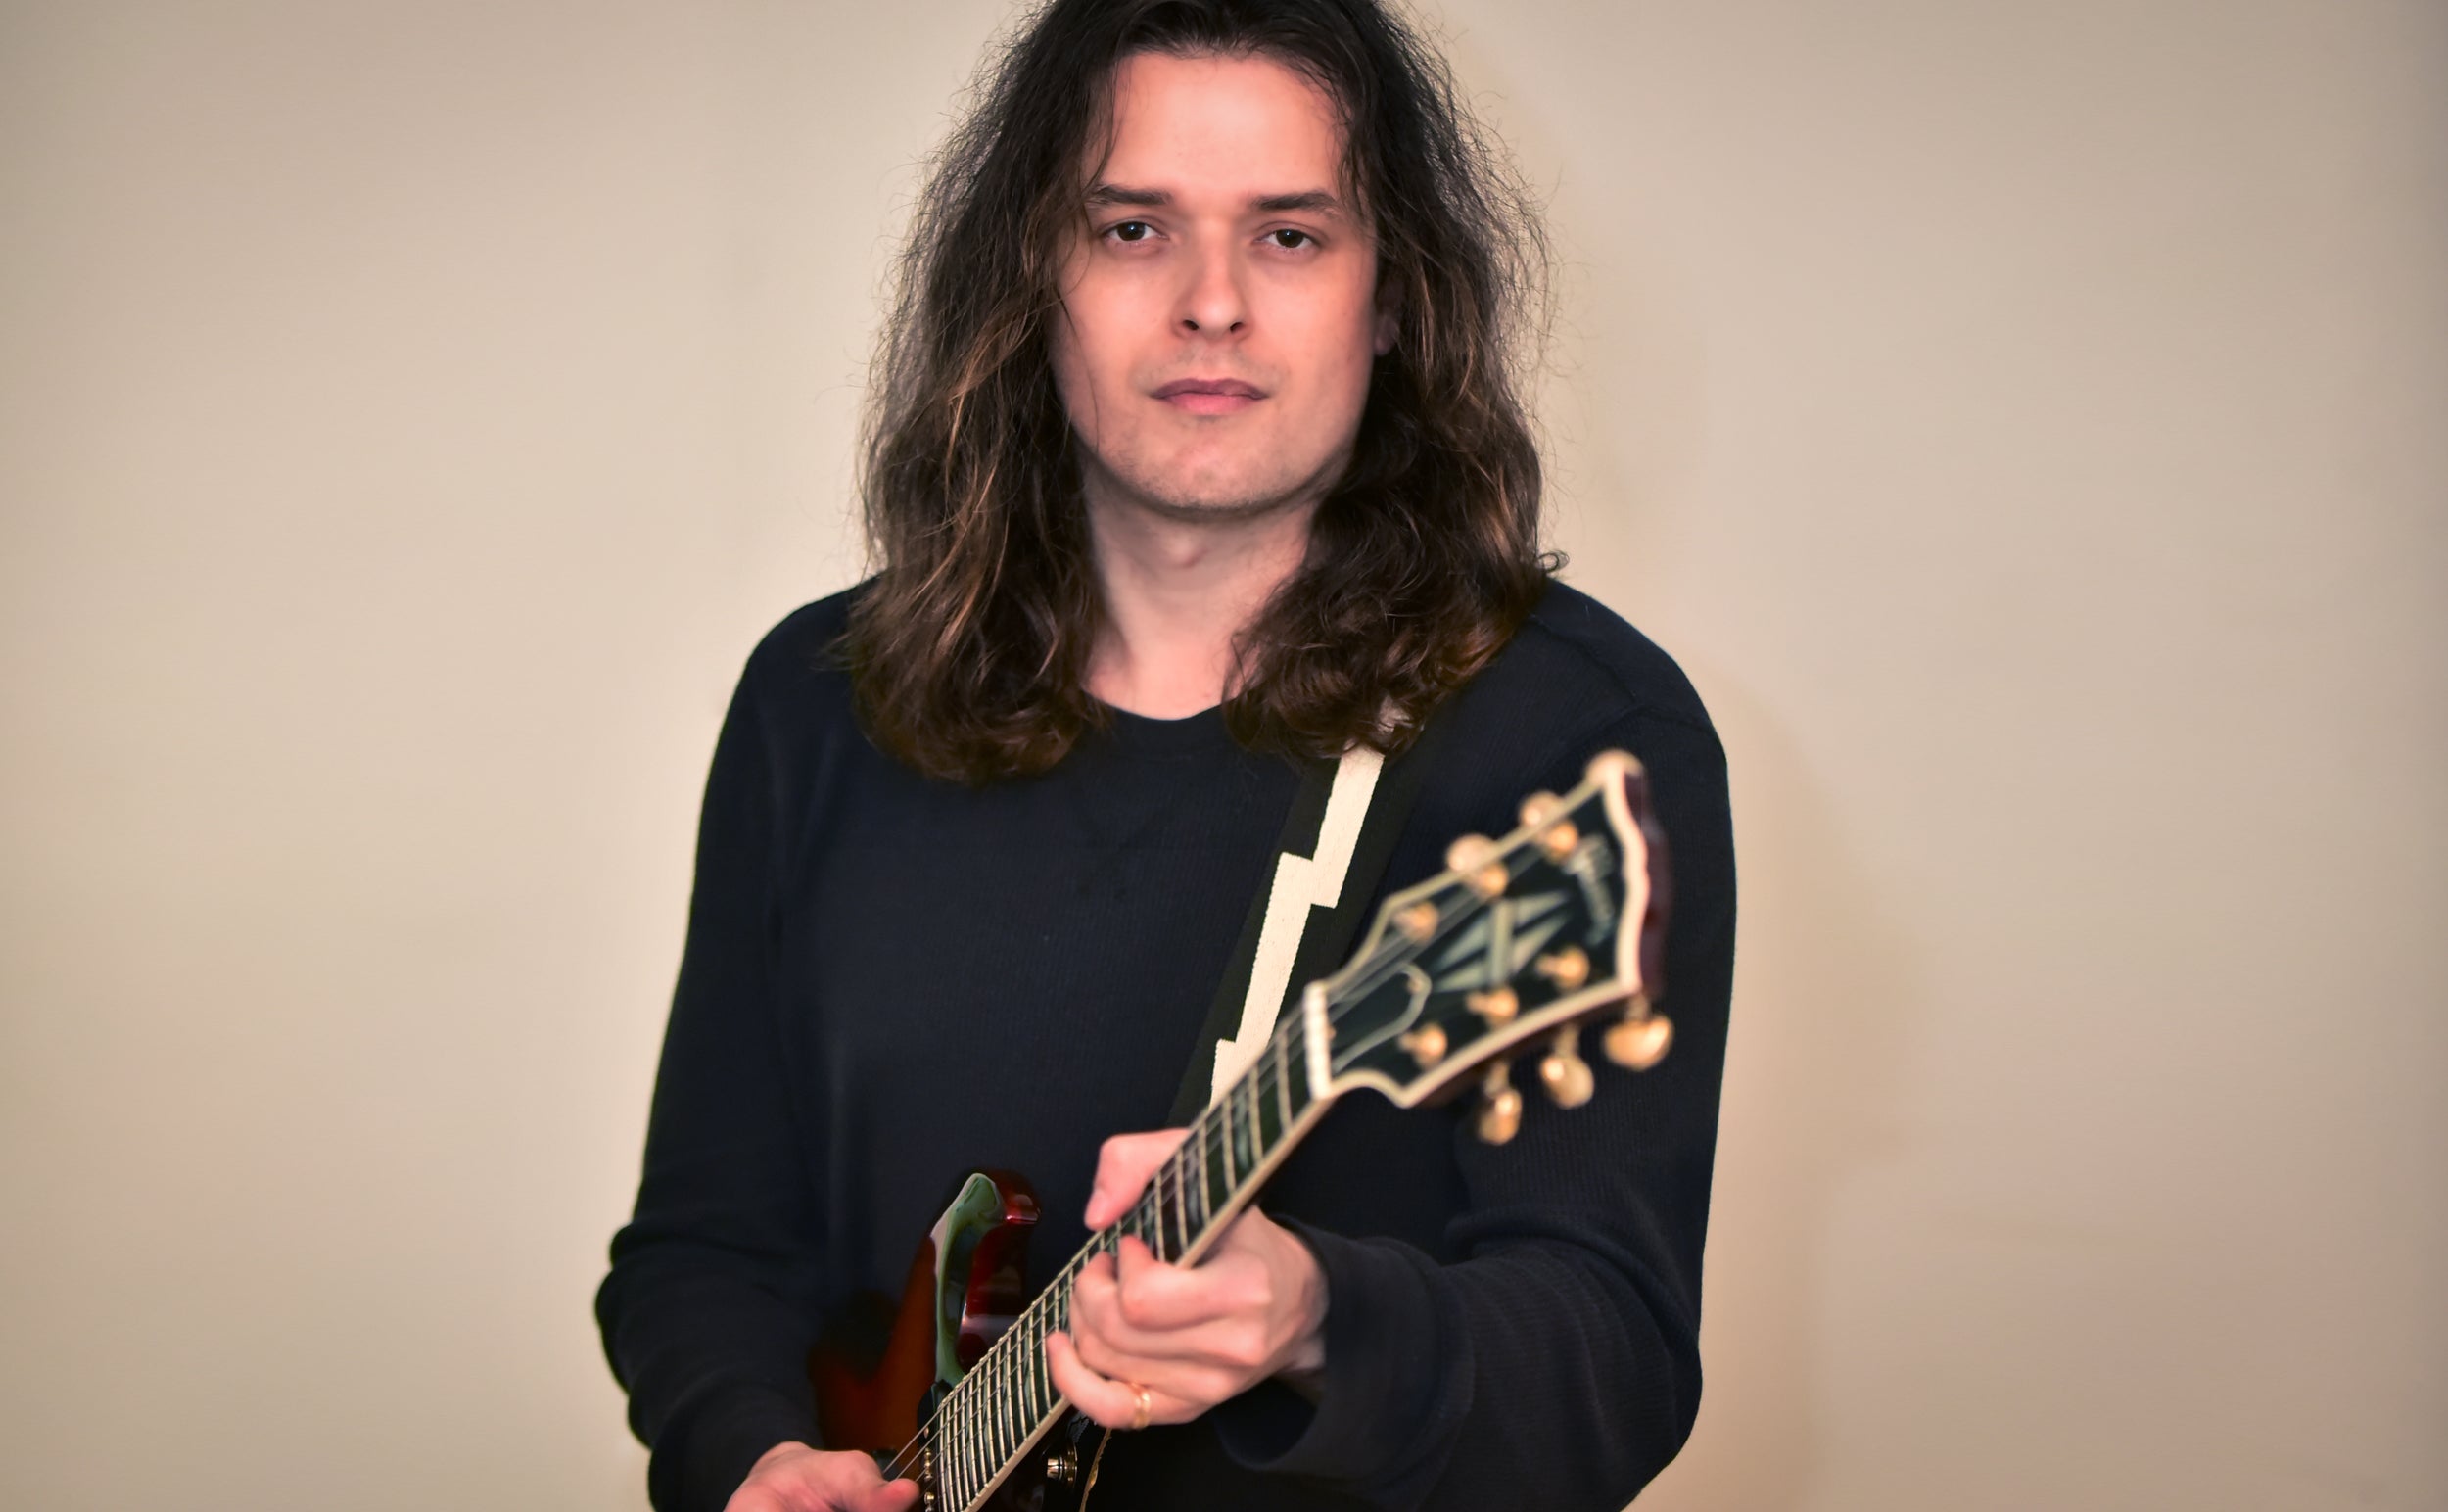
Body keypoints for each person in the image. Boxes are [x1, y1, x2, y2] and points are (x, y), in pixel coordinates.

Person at [594, 1, 1735, 1508]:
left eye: (1290, 236)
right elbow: (707, 1246)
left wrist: (1322, 1316)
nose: (1212, 304)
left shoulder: (1573, 736)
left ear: (1393, 299)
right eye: (1133, 229)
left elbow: (1616, 1364)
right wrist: (753, 1454)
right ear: (1033, 280)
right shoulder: (820, 704)